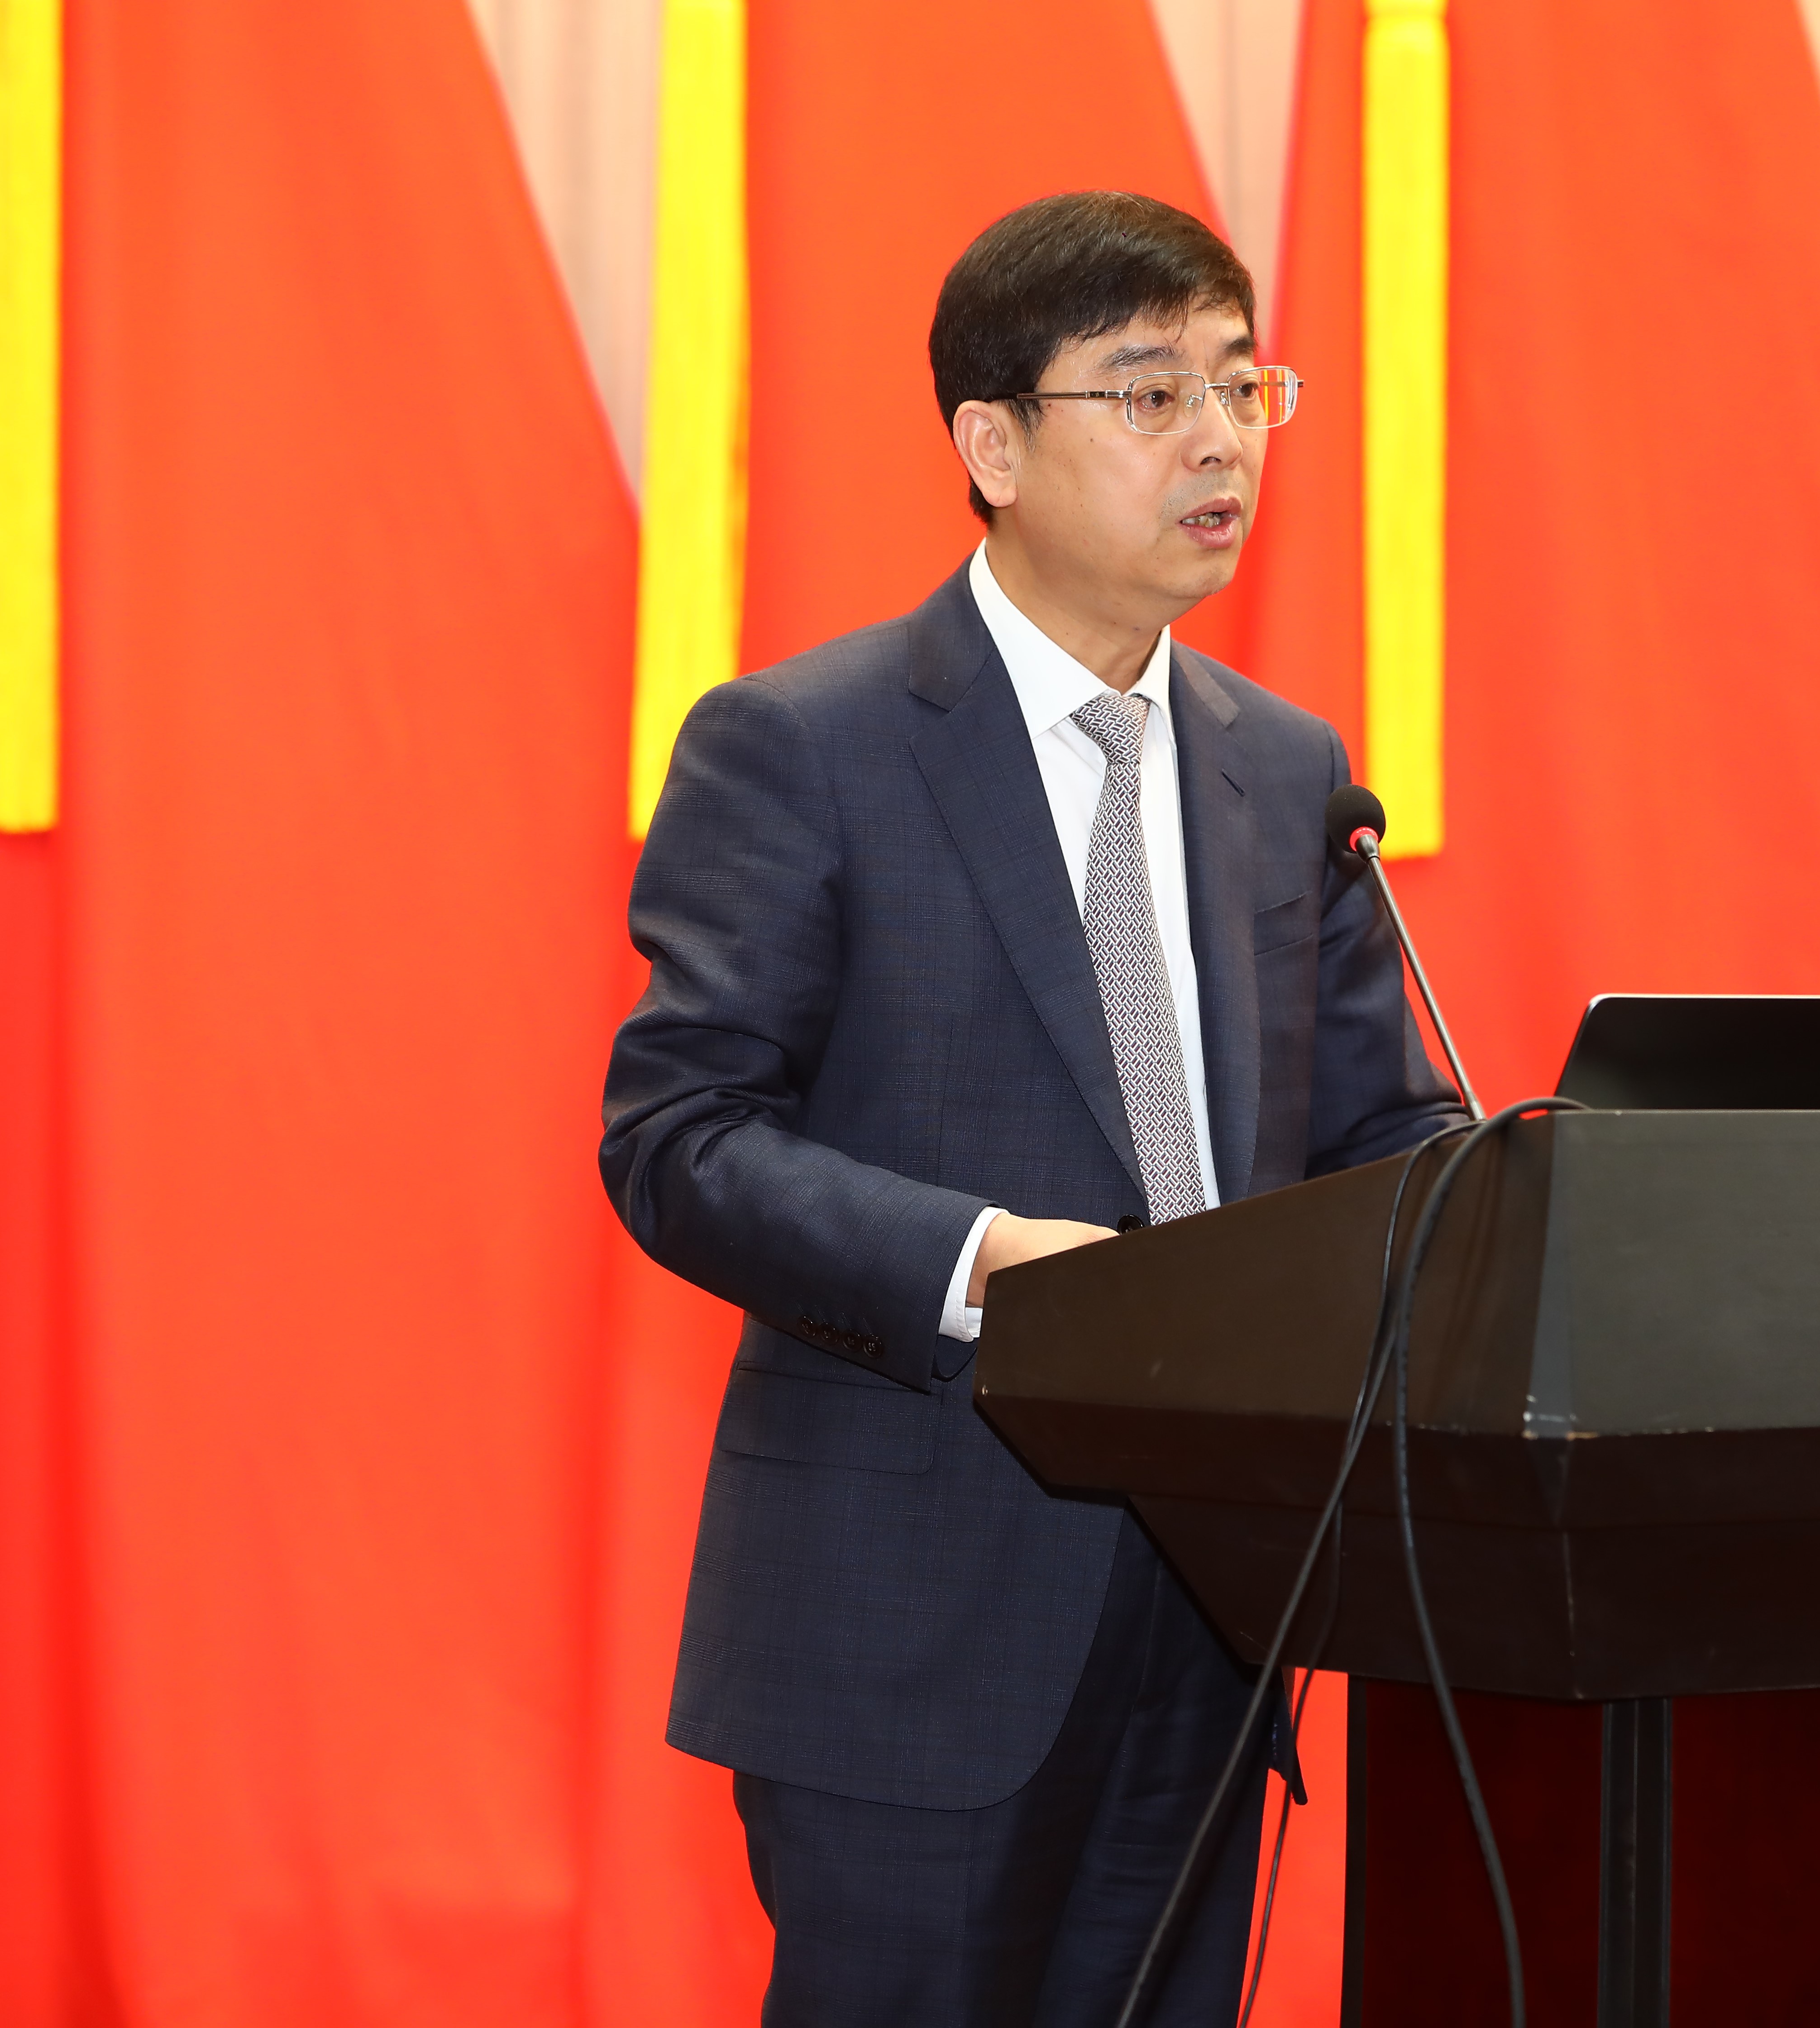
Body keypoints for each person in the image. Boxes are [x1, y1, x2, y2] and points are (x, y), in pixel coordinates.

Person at [600, 190, 1464, 2027]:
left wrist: (1540, 1199)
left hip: (1216, 1604)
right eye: (1150, 393)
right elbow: (680, 1136)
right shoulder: (805, 745)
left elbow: (1383, 1141)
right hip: (917, 1618)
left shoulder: (1286, 771)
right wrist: (991, 1263)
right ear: (992, 447)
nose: (1220, 438)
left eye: (1242, 384)